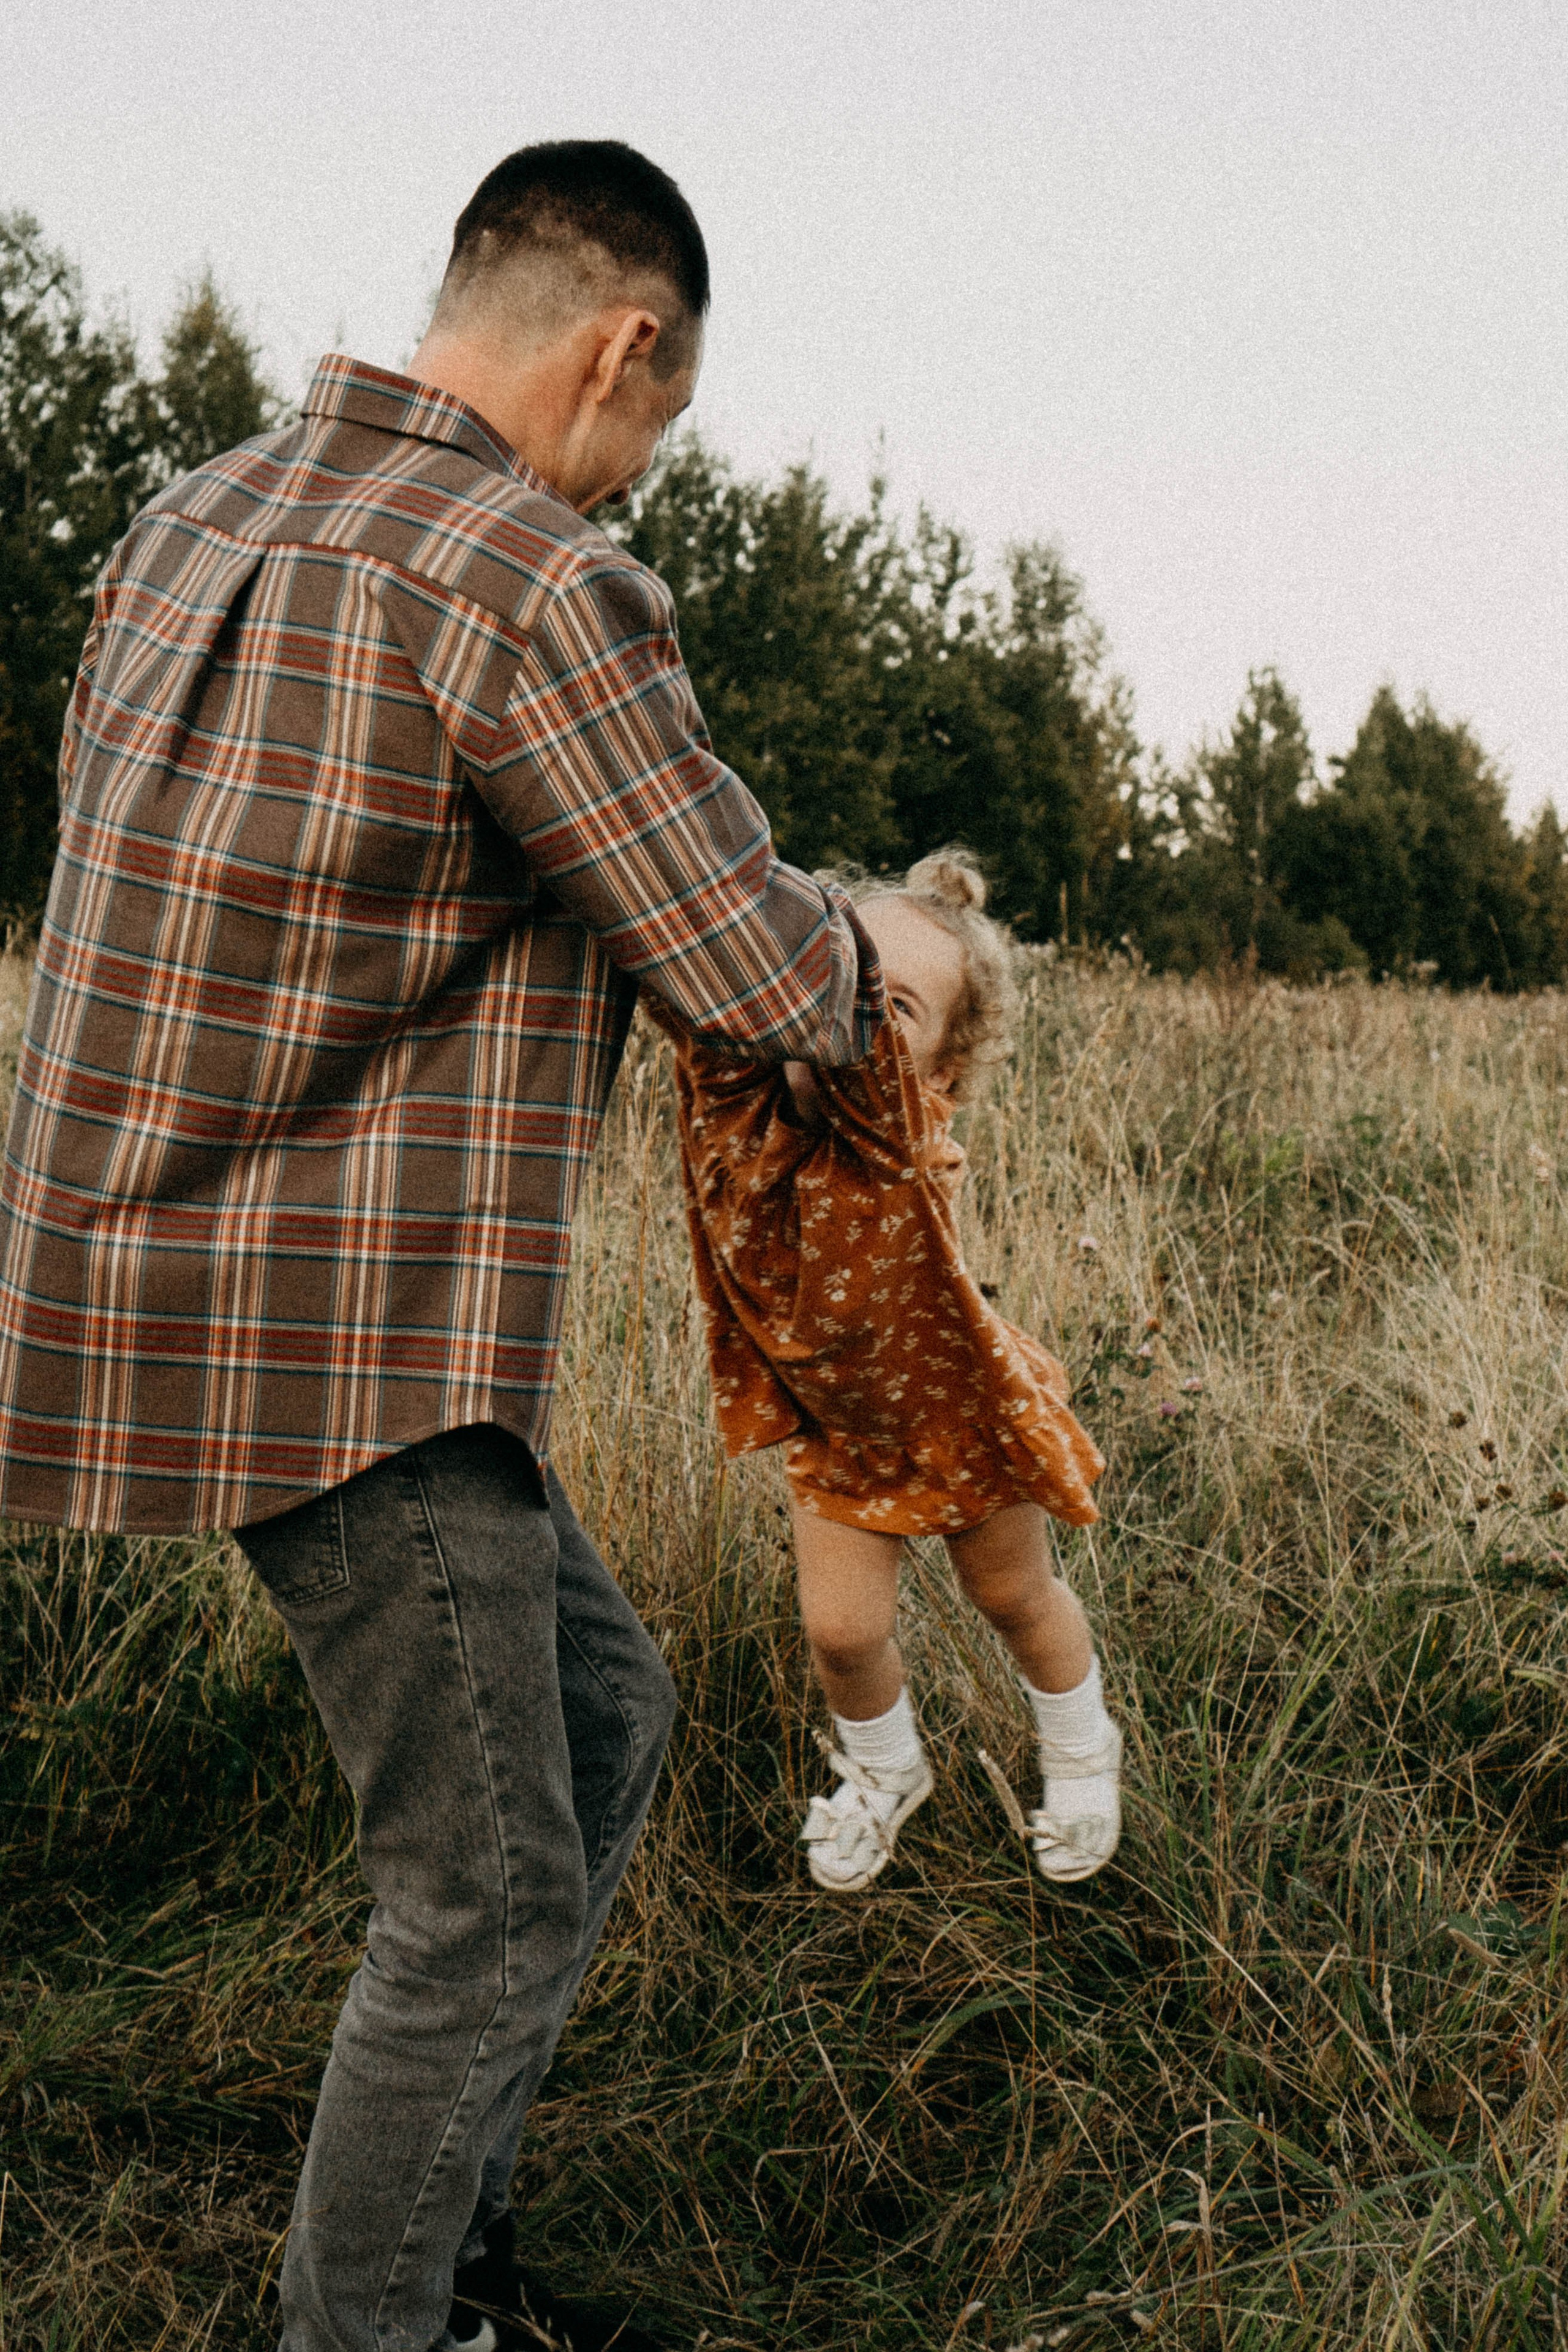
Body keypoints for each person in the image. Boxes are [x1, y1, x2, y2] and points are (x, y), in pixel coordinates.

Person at [0, 144, 883, 2352]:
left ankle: (434, 2265)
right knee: (481, 1901)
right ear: (627, 347)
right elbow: (768, 984)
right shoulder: (524, 580)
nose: (636, 471)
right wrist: (912, 950)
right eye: (656, 428)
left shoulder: (185, 516)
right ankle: (373, 2329)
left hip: (134, 1291)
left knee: (602, 1706)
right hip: (343, 1336)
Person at [657, 851, 1121, 1894]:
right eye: (833, 979)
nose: (842, 1018)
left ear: (944, 1079)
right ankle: (885, 1769)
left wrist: (829, 973)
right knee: (841, 1631)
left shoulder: (903, 1142)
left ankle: (1086, 1752)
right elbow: (707, 1025)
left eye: (890, 1005)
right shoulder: (748, 1126)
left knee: (1014, 1596)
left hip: (963, 1410)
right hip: (844, 1429)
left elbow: (859, 1068)